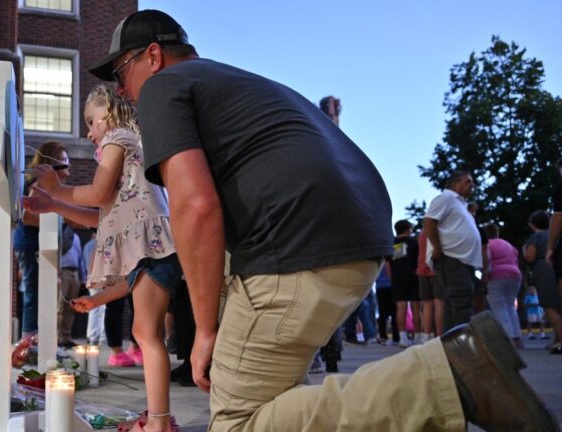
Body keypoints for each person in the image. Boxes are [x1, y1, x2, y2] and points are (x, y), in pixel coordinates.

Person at [88, 9, 559, 431]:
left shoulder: (164, 87)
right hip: (358, 237)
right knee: (274, 402)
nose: (120, 88)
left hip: (295, 247)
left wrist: (205, 328)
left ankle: (448, 375)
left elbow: (195, 207)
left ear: (152, 55)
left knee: (237, 422)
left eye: (120, 71)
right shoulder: (241, 84)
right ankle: (451, 374)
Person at [24, 84, 183, 432]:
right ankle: (158, 415)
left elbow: (97, 194)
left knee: (145, 333)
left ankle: (159, 422)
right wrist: (54, 205)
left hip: (153, 243)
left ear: (108, 115)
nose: (89, 131)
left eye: (91, 121)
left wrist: (55, 188)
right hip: (153, 247)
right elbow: (103, 220)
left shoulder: (119, 138)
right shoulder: (127, 149)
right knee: (146, 331)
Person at [13, 141, 71, 337]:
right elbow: (27, 216)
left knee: (41, 293)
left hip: (37, 245)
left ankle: (37, 339)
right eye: (63, 159)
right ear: (51, 162)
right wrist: (58, 221)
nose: (68, 163)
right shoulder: (39, 185)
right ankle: (28, 340)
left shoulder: (50, 186)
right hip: (32, 245)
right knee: (34, 293)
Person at [424, 171, 483, 331]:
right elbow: (429, 221)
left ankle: (452, 343)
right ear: (455, 184)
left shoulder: (461, 204)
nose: (473, 185)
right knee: (460, 302)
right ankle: (463, 343)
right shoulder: (445, 199)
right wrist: (437, 247)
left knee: (456, 304)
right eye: (468, 182)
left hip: (463, 261)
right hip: (452, 259)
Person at [524, 210, 562, 354]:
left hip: (543, 269)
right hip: (557, 267)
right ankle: (557, 339)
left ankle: (560, 340)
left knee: (549, 305)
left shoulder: (536, 237)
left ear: (532, 224)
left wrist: (524, 251)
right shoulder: (555, 235)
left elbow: (530, 257)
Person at [483, 223, 524, 348]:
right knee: (510, 306)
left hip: (496, 276)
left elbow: (487, 260)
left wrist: (484, 276)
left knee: (500, 307)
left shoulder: (488, 245)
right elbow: (516, 257)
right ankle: (517, 337)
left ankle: (508, 339)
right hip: (515, 275)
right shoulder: (508, 244)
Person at [389, 219, 422, 346]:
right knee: (416, 309)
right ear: (408, 229)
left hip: (397, 278)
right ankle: (418, 336)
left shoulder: (391, 244)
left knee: (400, 309)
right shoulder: (414, 242)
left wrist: (392, 277)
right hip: (414, 278)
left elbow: (387, 264)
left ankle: (403, 337)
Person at [58, 222, 86, 348]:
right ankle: (57, 338)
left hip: (75, 273)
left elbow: (80, 258)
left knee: (70, 308)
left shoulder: (76, 237)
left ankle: (66, 338)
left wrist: (83, 277)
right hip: (63, 272)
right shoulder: (60, 234)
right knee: (59, 307)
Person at [417, 228, 445, 338]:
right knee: (439, 303)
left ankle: (426, 335)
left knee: (427, 304)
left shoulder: (422, 232)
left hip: (422, 269)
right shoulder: (439, 229)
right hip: (436, 268)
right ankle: (439, 336)